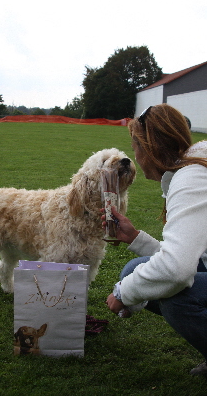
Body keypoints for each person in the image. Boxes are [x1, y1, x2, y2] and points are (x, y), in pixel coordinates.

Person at [103, 104, 207, 378]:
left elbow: (176, 270)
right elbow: (189, 258)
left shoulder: (191, 179)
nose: (134, 156)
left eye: (134, 147)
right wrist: (135, 237)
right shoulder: (193, 169)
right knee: (134, 269)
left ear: (148, 147)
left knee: (177, 298)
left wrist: (122, 293)